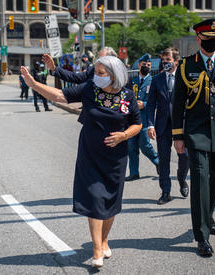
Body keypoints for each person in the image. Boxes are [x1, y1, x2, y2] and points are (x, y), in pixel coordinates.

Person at [20, 56, 142, 268]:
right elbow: (59, 95)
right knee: (95, 199)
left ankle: (104, 240)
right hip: (90, 155)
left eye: (101, 73)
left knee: (111, 202)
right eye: (96, 72)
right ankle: (96, 249)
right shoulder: (89, 89)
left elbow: (137, 124)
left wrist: (123, 136)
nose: (96, 76)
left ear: (114, 75)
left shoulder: (127, 96)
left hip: (116, 158)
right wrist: (34, 84)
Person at [172, 18, 215, 257]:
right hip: (196, 132)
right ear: (198, 39)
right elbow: (177, 104)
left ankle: (208, 215)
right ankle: (201, 237)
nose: (213, 42)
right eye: (209, 39)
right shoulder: (185, 66)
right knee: (201, 180)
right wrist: (177, 135)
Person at [146, 47, 189, 205]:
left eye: (168, 61)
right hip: (163, 125)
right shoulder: (156, 80)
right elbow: (150, 105)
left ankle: (182, 179)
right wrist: (150, 125)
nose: (165, 63)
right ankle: (165, 191)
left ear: (176, 61)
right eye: (163, 61)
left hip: (182, 124)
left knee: (184, 157)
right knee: (164, 159)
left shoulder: (184, 78)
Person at [125, 54, 159, 181]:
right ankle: (134, 172)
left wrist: (144, 104)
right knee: (131, 146)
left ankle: (157, 160)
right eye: (144, 64)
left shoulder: (154, 81)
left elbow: (157, 101)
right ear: (139, 65)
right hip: (132, 119)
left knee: (144, 144)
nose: (146, 67)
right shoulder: (132, 80)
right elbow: (125, 96)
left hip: (145, 119)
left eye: (149, 65)